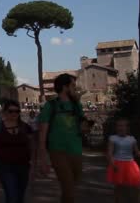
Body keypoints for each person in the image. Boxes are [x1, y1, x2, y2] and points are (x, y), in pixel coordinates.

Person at [38, 73, 90, 203]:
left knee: (71, 187)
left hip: (76, 150)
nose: (75, 88)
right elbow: (42, 133)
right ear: (64, 87)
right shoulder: (50, 106)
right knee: (69, 189)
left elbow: (83, 127)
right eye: (72, 85)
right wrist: (43, 158)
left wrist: (86, 126)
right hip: (57, 151)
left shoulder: (76, 105)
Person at [0, 100, 35, 203]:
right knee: (12, 196)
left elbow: (32, 148)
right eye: (11, 111)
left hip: (23, 167)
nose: (14, 114)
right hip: (5, 167)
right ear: (4, 112)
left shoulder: (26, 128)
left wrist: (34, 166)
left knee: (20, 197)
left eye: (17, 111)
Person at [106, 117, 140, 203]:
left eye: (123, 126)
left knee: (136, 187)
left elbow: (137, 152)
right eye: (119, 126)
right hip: (118, 164)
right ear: (116, 127)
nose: (121, 128)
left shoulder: (132, 139)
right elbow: (110, 153)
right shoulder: (113, 138)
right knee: (119, 188)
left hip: (130, 165)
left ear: (127, 128)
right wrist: (113, 164)